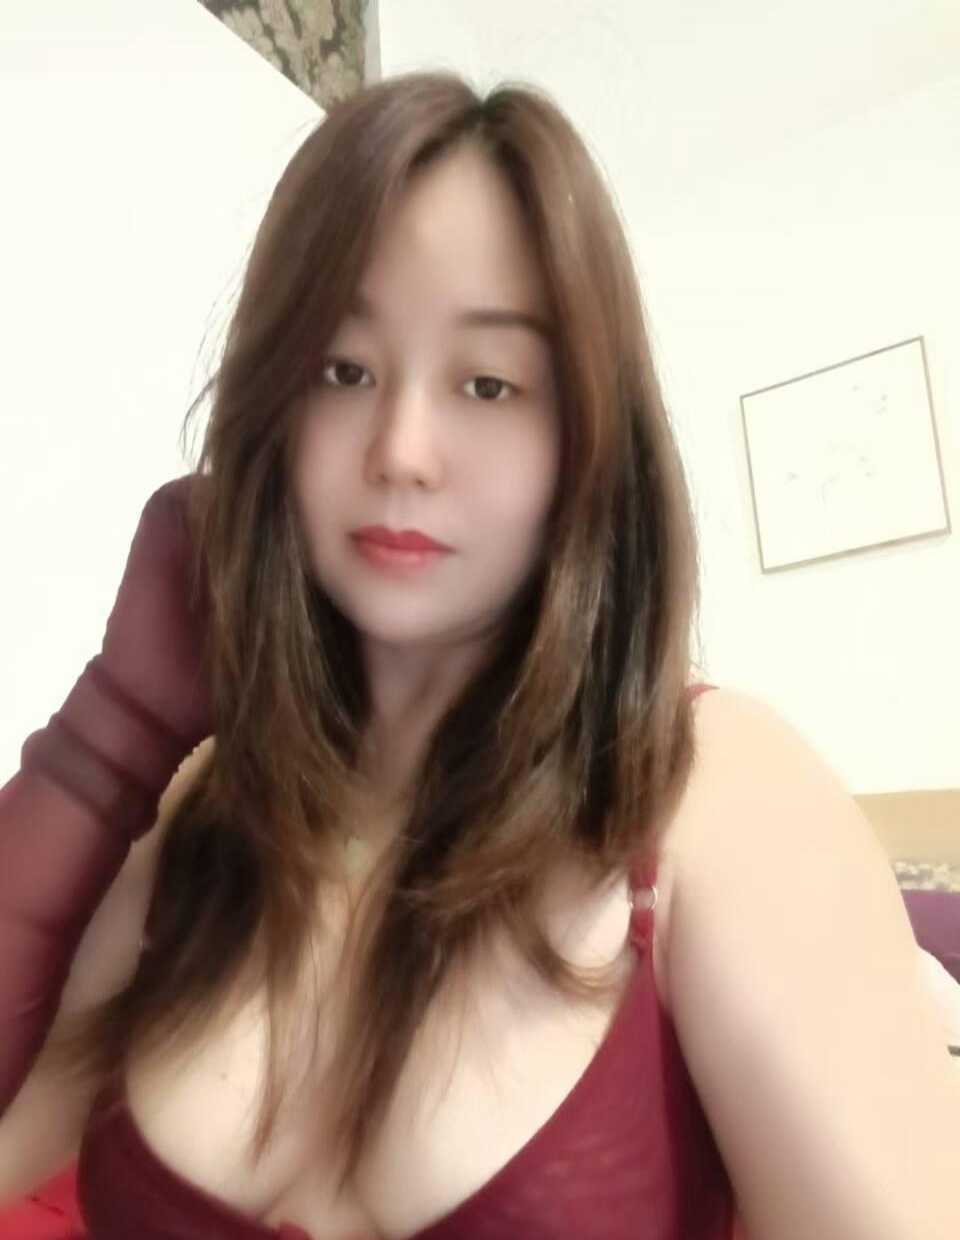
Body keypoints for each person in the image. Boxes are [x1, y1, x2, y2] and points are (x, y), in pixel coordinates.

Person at [0, 71, 956, 1240]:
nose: (402, 448)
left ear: (586, 440)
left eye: (489, 382)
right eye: (342, 370)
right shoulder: (203, 812)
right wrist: (109, 731)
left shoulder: (714, 794)